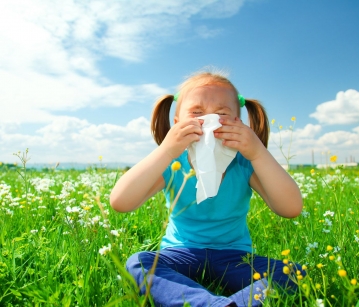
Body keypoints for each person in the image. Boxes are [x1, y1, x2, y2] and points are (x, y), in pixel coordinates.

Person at [110, 69, 304, 307]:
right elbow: (120, 201)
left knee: (293, 273)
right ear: (178, 123)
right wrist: (167, 150)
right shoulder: (173, 162)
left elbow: (291, 207)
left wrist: (258, 152)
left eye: (222, 113)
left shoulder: (245, 162)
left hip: (236, 257)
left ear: (238, 123)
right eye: (197, 113)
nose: (209, 121)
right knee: (138, 263)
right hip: (181, 253)